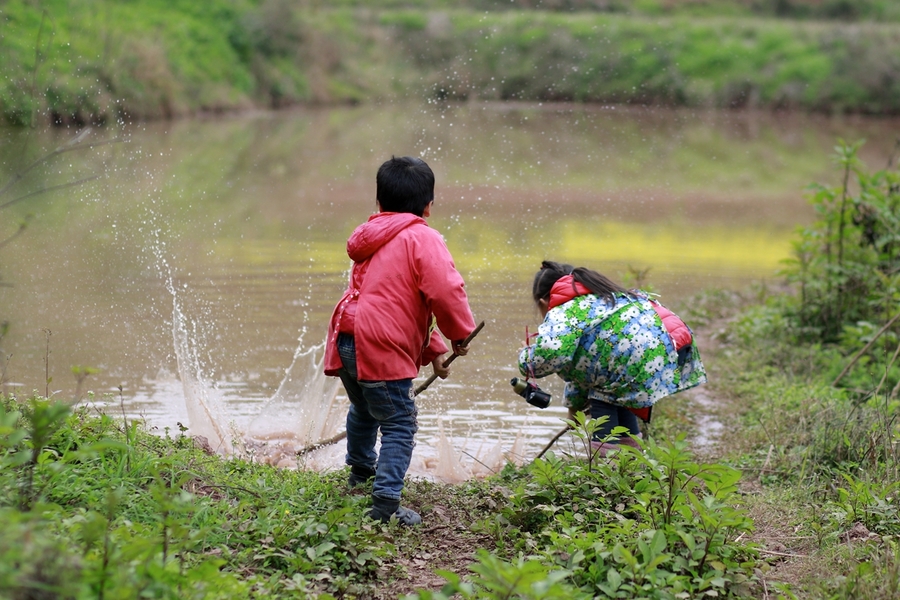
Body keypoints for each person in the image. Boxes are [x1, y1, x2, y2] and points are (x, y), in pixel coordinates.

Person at [324, 156, 476, 526]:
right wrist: (459, 332)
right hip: (381, 344)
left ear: (378, 202)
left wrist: (436, 348)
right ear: (428, 206)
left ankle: (360, 473)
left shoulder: (370, 235)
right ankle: (385, 504)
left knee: (364, 408)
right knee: (399, 423)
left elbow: (399, 303)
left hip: (348, 338)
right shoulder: (423, 237)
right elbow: (443, 291)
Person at [517, 260, 707, 455]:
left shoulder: (564, 311)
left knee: (604, 397)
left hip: (635, 358)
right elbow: (583, 370)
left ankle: (605, 469)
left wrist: (526, 357)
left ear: (543, 302)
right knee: (618, 395)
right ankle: (631, 461)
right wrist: (574, 411)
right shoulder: (603, 297)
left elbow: (550, 354)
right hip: (669, 346)